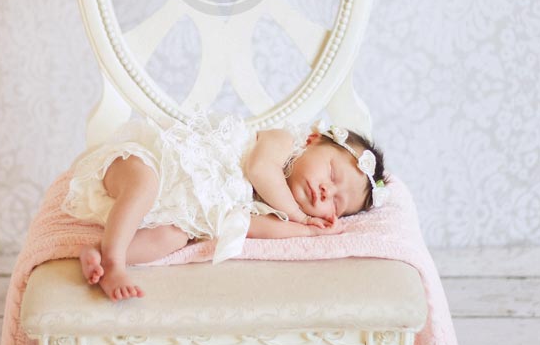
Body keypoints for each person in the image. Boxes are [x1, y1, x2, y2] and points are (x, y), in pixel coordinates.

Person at [61, 108, 388, 302]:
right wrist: (300, 216)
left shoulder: (266, 204)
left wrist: (307, 232)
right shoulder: (282, 143)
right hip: (147, 161)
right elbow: (260, 171)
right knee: (144, 184)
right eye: (331, 173)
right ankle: (115, 265)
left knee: (173, 237)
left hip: (173, 207)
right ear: (313, 140)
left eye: (336, 202)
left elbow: (249, 227)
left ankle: (101, 251)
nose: (324, 191)